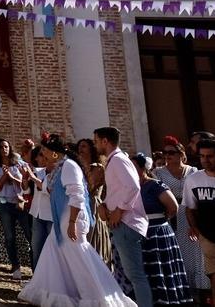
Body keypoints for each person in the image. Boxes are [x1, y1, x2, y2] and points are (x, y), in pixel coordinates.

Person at [19, 135, 136, 307]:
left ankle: (96, 297)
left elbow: (77, 195)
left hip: (71, 218)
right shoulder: (59, 168)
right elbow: (50, 190)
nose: (41, 155)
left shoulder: (69, 167)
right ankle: (56, 294)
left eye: (44, 151)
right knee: (54, 255)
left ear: (54, 154)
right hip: (63, 218)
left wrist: (72, 222)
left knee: (78, 258)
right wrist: (31, 176)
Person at [96, 126, 153, 307]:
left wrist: (119, 210)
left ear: (105, 141)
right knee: (131, 274)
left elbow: (133, 187)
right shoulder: (114, 161)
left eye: (97, 141)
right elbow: (119, 190)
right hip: (121, 221)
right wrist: (105, 204)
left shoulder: (119, 160)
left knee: (135, 275)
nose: (96, 145)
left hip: (126, 222)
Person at [129, 152, 192, 306]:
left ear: (143, 168)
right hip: (139, 234)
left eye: (133, 166)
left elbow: (172, 207)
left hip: (157, 233)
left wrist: (159, 223)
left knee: (163, 270)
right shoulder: (129, 188)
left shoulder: (154, 185)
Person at [156, 137, 208, 296]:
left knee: (196, 252)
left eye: (171, 152)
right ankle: (183, 292)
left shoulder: (193, 171)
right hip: (171, 217)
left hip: (191, 214)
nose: (167, 155)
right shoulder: (158, 173)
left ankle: (201, 291)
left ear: (181, 154)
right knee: (177, 253)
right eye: (165, 153)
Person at [184, 138, 215, 307]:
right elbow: (190, 208)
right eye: (202, 156)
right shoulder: (194, 180)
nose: (205, 160)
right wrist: (194, 227)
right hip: (209, 236)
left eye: (210, 156)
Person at [0, 137, 33, 279]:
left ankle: (35, 266)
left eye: (6, 147)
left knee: (30, 235)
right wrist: (4, 176)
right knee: (9, 237)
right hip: (4, 204)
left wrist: (12, 176)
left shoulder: (19, 163)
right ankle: (15, 266)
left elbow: (25, 182)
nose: (4, 149)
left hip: (19, 203)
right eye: (1, 147)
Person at [80, 137, 116, 266]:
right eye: (79, 146)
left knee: (94, 236)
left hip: (92, 204)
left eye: (84, 146)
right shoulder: (79, 168)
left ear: (91, 149)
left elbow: (90, 187)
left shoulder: (98, 168)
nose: (80, 149)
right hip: (81, 204)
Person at [26, 146, 53, 272]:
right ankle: (36, 277)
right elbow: (26, 190)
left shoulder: (57, 173)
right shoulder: (38, 171)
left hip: (51, 217)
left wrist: (34, 178)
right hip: (37, 214)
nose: (42, 158)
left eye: (44, 155)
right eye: (40, 155)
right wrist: (24, 179)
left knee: (52, 250)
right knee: (36, 247)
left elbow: (48, 191)